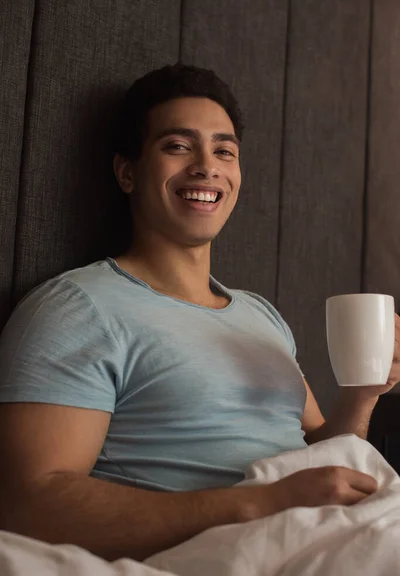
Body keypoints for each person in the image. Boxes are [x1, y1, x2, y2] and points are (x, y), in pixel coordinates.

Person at [0, 63, 399, 562]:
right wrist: (262, 503)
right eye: (178, 146)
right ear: (127, 172)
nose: (207, 166)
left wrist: (361, 397)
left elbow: (322, 452)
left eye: (224, 151)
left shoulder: (261, 315)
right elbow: (27, 503)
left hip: (323, 529)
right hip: (232, 547)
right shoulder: (78, 308)